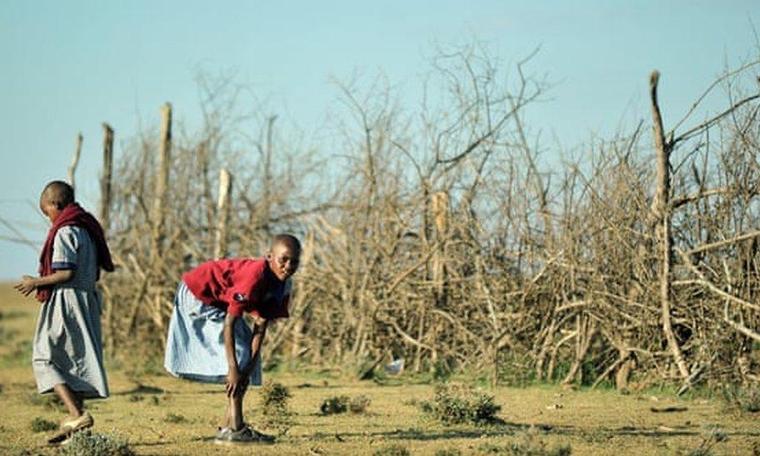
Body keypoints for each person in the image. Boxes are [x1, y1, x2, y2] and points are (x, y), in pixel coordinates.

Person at [164, 234, 301, 445]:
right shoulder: (255, 277)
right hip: (198, 293)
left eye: (295, 261)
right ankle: (236, 429)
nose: (289, 266)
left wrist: (246, 371)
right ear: (269, 257)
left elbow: (261, 326)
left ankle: (228, 427)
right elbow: (230, 322)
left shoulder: (283, 287)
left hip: (219, 301)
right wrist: (233, 369)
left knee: (247, 359)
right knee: (237, 355)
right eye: (284, 259)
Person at [14, 180, 114, 443]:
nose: (49, 220)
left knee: (44, 357)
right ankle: (75, 433)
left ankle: (76, 413)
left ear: (55, 205)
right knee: (73, 361)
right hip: (86, 299)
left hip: (67, 301)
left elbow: (65, 272)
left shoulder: (65, 232)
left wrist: (34, 282)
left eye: (47, 213)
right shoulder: (86, 230)